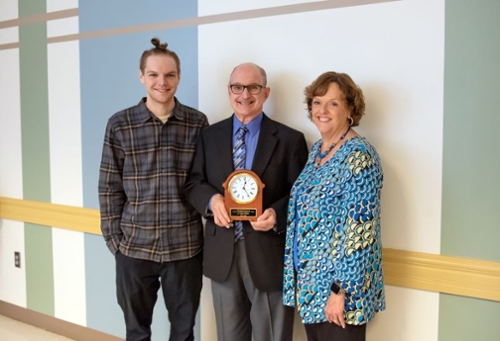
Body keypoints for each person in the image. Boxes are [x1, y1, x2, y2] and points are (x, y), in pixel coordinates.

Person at [184, 62, 308, 341]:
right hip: (222, 255)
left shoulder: (290, 140)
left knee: (272, 336)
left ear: (265, 93)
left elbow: (301, 196)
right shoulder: (208, 136)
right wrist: (212, 200)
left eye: (253, 87)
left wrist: (276, 214)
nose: (245, 94)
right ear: (229, 91)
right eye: (237, 87)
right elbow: (193, 183)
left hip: (268, 255)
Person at [98, 38, 208, 341]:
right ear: (141, 76)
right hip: (134, 248)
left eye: (170, 75)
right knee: (136, 332)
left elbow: (203, 181)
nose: (162, 82)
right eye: (154, 75)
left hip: (185, 248)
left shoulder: (197, 123)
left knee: (184, 332)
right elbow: (109, 187)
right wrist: (115, 242)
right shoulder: (120, 124)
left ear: (179, 77)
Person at [282, 71, 386, 341]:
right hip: (311, 289)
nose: (322, 110)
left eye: (333, 103)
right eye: (317, 102)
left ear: (350, 108)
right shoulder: (318, 150)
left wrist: (339, 292)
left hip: (338, 295)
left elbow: (360, 232)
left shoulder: (359, 156)